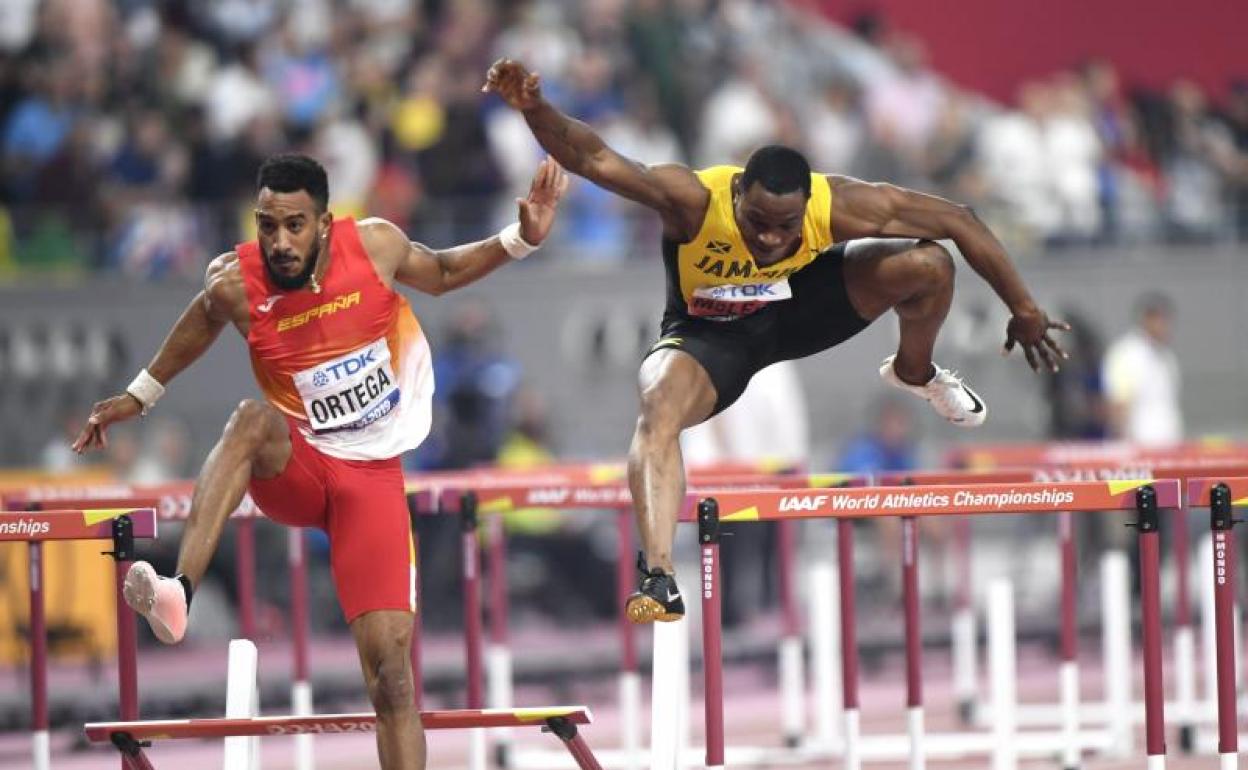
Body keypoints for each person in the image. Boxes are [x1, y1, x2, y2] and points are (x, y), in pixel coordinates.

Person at [483, 58, 1069, 624]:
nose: (767, 237)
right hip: (708, 337)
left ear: (807, 207)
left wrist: (1023, 310)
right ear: (737, 191)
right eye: (756, 219)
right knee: (657, 404)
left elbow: (961, 218)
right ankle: (658, 576)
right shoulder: (693, 200)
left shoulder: (839, 204)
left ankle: (915, 372)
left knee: (931, 265)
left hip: (797, 309)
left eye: (785, 226)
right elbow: (594, 157)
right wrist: (535, 109)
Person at [71, 153, 568, 769]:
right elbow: (199, 322)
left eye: (295, 225)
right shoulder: (234, 280)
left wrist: (522, 237)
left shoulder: (376, 246)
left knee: (392, 678)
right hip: (301, 465)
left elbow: (440, 271)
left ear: (326, 223)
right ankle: (179, 590)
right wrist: (138, 395)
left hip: (372, 481)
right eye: (267, 224)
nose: (279, 242)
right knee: (252, 419)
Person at [1101, 292, 1182, 446]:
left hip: (1168, 445)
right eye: (1159, 319)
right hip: (1139, 449)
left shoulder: (1167, 357)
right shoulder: (1127, 353)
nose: (1164, 326)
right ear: (1147, 319)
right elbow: (1118, 404)